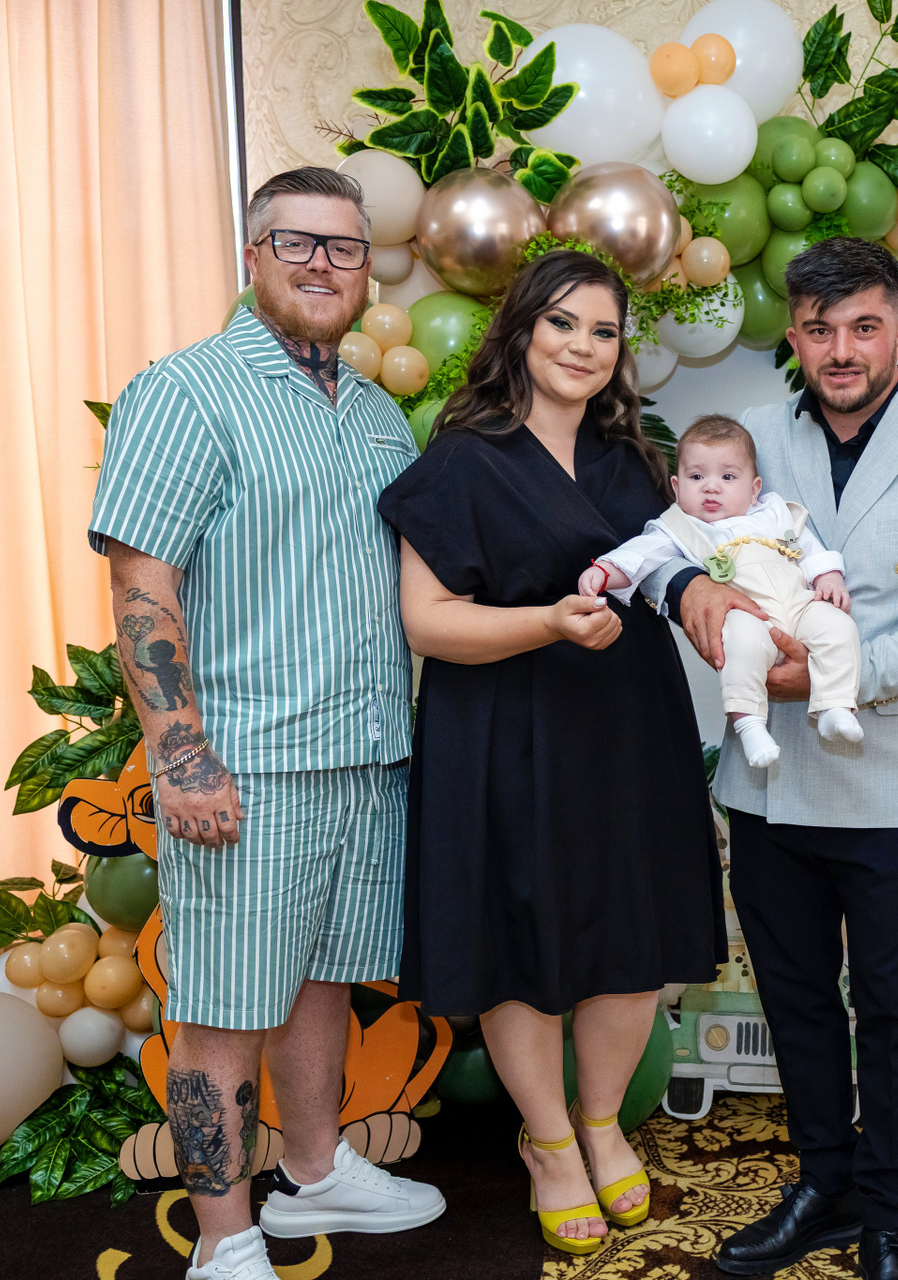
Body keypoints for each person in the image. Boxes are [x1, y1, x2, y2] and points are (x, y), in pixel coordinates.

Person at [89, 167, 446, 1280]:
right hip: (247, 769)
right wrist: (181, 753)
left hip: (365, 756)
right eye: (298, 242)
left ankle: (317, 1171)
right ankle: (225, 1240)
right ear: (253, 256)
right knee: (222, 1010)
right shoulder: (186, 391)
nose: (323, 264)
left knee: (323, 979)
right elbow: (142, 583)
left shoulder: (377, 413)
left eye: (346, 247)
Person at [639, 237, 898, 1280]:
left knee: (892, 1014)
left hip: (890, 785)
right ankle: (823, 1183)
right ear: (795, 337)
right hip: (769, 785)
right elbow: (664, 550)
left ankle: (887, 1209)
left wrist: (829, 677)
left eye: (863, 327)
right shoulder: (747, 441)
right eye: (820, 328)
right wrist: (690, 589)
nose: (842, 349)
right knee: (794, 1000)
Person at [377, 249, 726, 1258]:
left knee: (632, 928)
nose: (582, 346)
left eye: (603, 331)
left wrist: (717, 594)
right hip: (502, 729)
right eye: (563, 323)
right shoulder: (462, 458)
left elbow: (668, 576)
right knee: (516, 938)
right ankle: (548, 1140)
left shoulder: (636, 458)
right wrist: (546, 622)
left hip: (628, 725)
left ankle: (602, 1119)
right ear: (523, 328)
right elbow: (427, 620)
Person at [581, 413, 864, 766]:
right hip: (748, 614)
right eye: (696, 477)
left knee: (838, 626)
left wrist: (828, 577)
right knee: (740, 643)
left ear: (754, 488)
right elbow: (641, 554)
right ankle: (750, 724)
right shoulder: (680, 527)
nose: (711, 487)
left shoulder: (773, 513)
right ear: (676, 486)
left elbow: (806, 545)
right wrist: (605, 570)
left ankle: (835, 706)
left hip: (800, 604)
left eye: (728, 477)